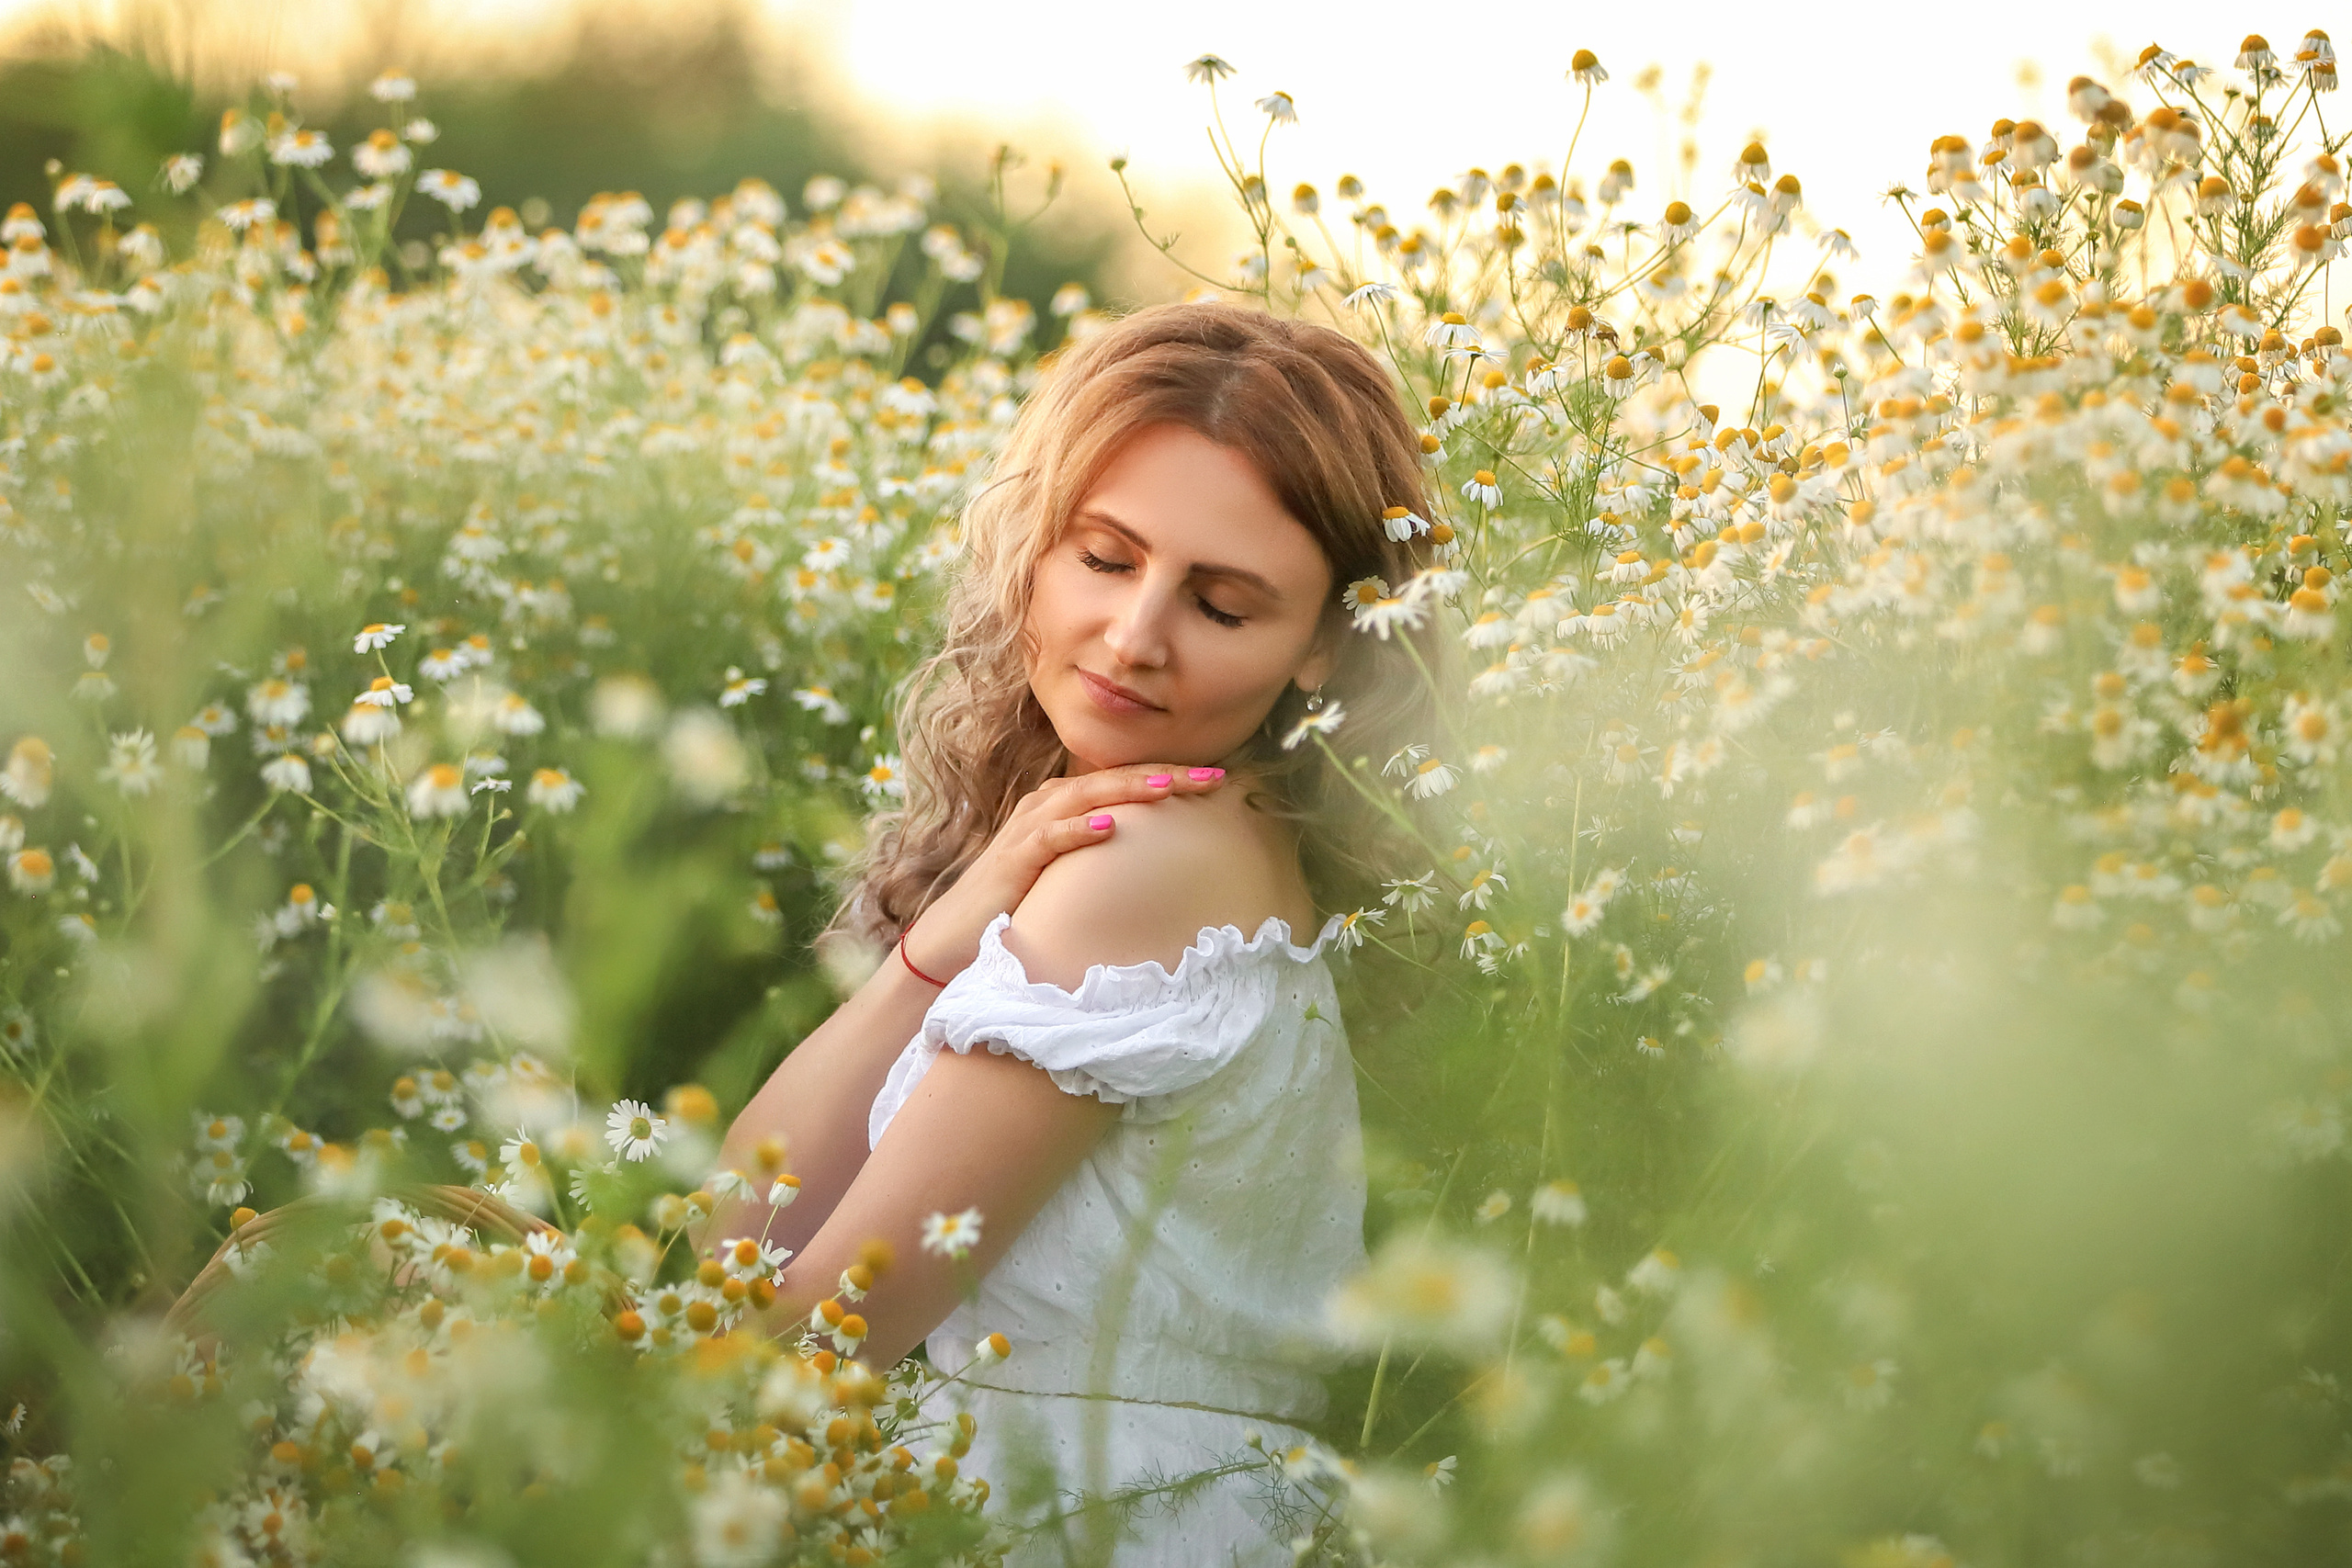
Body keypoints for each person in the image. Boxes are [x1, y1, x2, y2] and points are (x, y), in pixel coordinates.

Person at [695, 301, 1446, 1564]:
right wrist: (937, 946)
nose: (1135, 638)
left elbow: (806, 1344)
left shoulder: (1143, 868)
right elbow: (735, 1245)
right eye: (1104, 558)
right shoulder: (1209, 844)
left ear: (1324, 644)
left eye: (1222, 606)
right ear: (1034, 550)